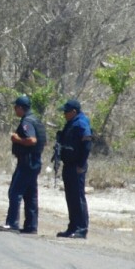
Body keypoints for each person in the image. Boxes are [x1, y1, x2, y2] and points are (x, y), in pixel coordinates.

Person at [0, 95, 46, 234]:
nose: (14, 109)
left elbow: (32, 140)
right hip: (34, 162)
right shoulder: (36, 120)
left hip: (27, 162)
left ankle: (12, 223)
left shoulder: (27, 122)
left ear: (20, 107)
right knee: (30, 194)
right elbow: (44, 141)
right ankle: (31, 226)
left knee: (15, 192)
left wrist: (17, 139)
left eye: (15, 107)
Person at [56, 99, 92, 239]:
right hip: (69, 165)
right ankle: (72, 227)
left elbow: (87, 143)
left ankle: (81, 229)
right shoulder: (72, 123)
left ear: (73, 112)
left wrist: (81, 165)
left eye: (66, 112)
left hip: (77, 166)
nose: (64, 114)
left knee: (78, 197)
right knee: (70, 198)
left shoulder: (81, 122)